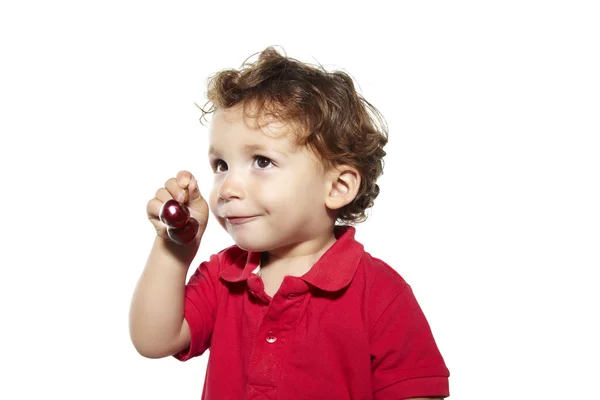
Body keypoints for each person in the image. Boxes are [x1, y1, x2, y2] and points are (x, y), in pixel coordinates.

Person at [129, 46, 450, 399]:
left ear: (338, 187)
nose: (227, 189)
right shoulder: (223, 276)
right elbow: (153, 340)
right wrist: (175, 248)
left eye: (262, 162)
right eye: (221, 165)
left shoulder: (382, 295)